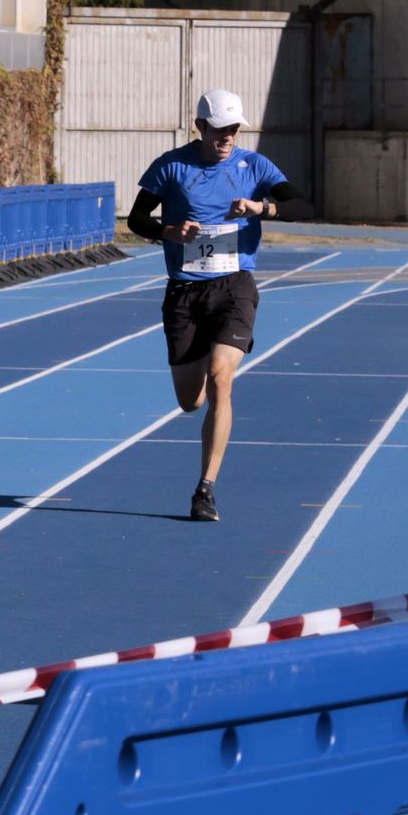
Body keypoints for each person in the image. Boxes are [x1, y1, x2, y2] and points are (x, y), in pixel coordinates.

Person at [126, 88, 307, 522]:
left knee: (221, 379)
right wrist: (169, 231)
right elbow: (135, 220)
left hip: (234, 287)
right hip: (185, 293)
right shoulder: (171, 166)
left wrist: (261, 207)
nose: (227, 137)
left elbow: (303, 203)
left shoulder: (253, 166)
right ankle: (204, 371)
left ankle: (205, 489)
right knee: (190, 402)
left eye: (234, 129)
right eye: (219, 130)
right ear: (201, 127)